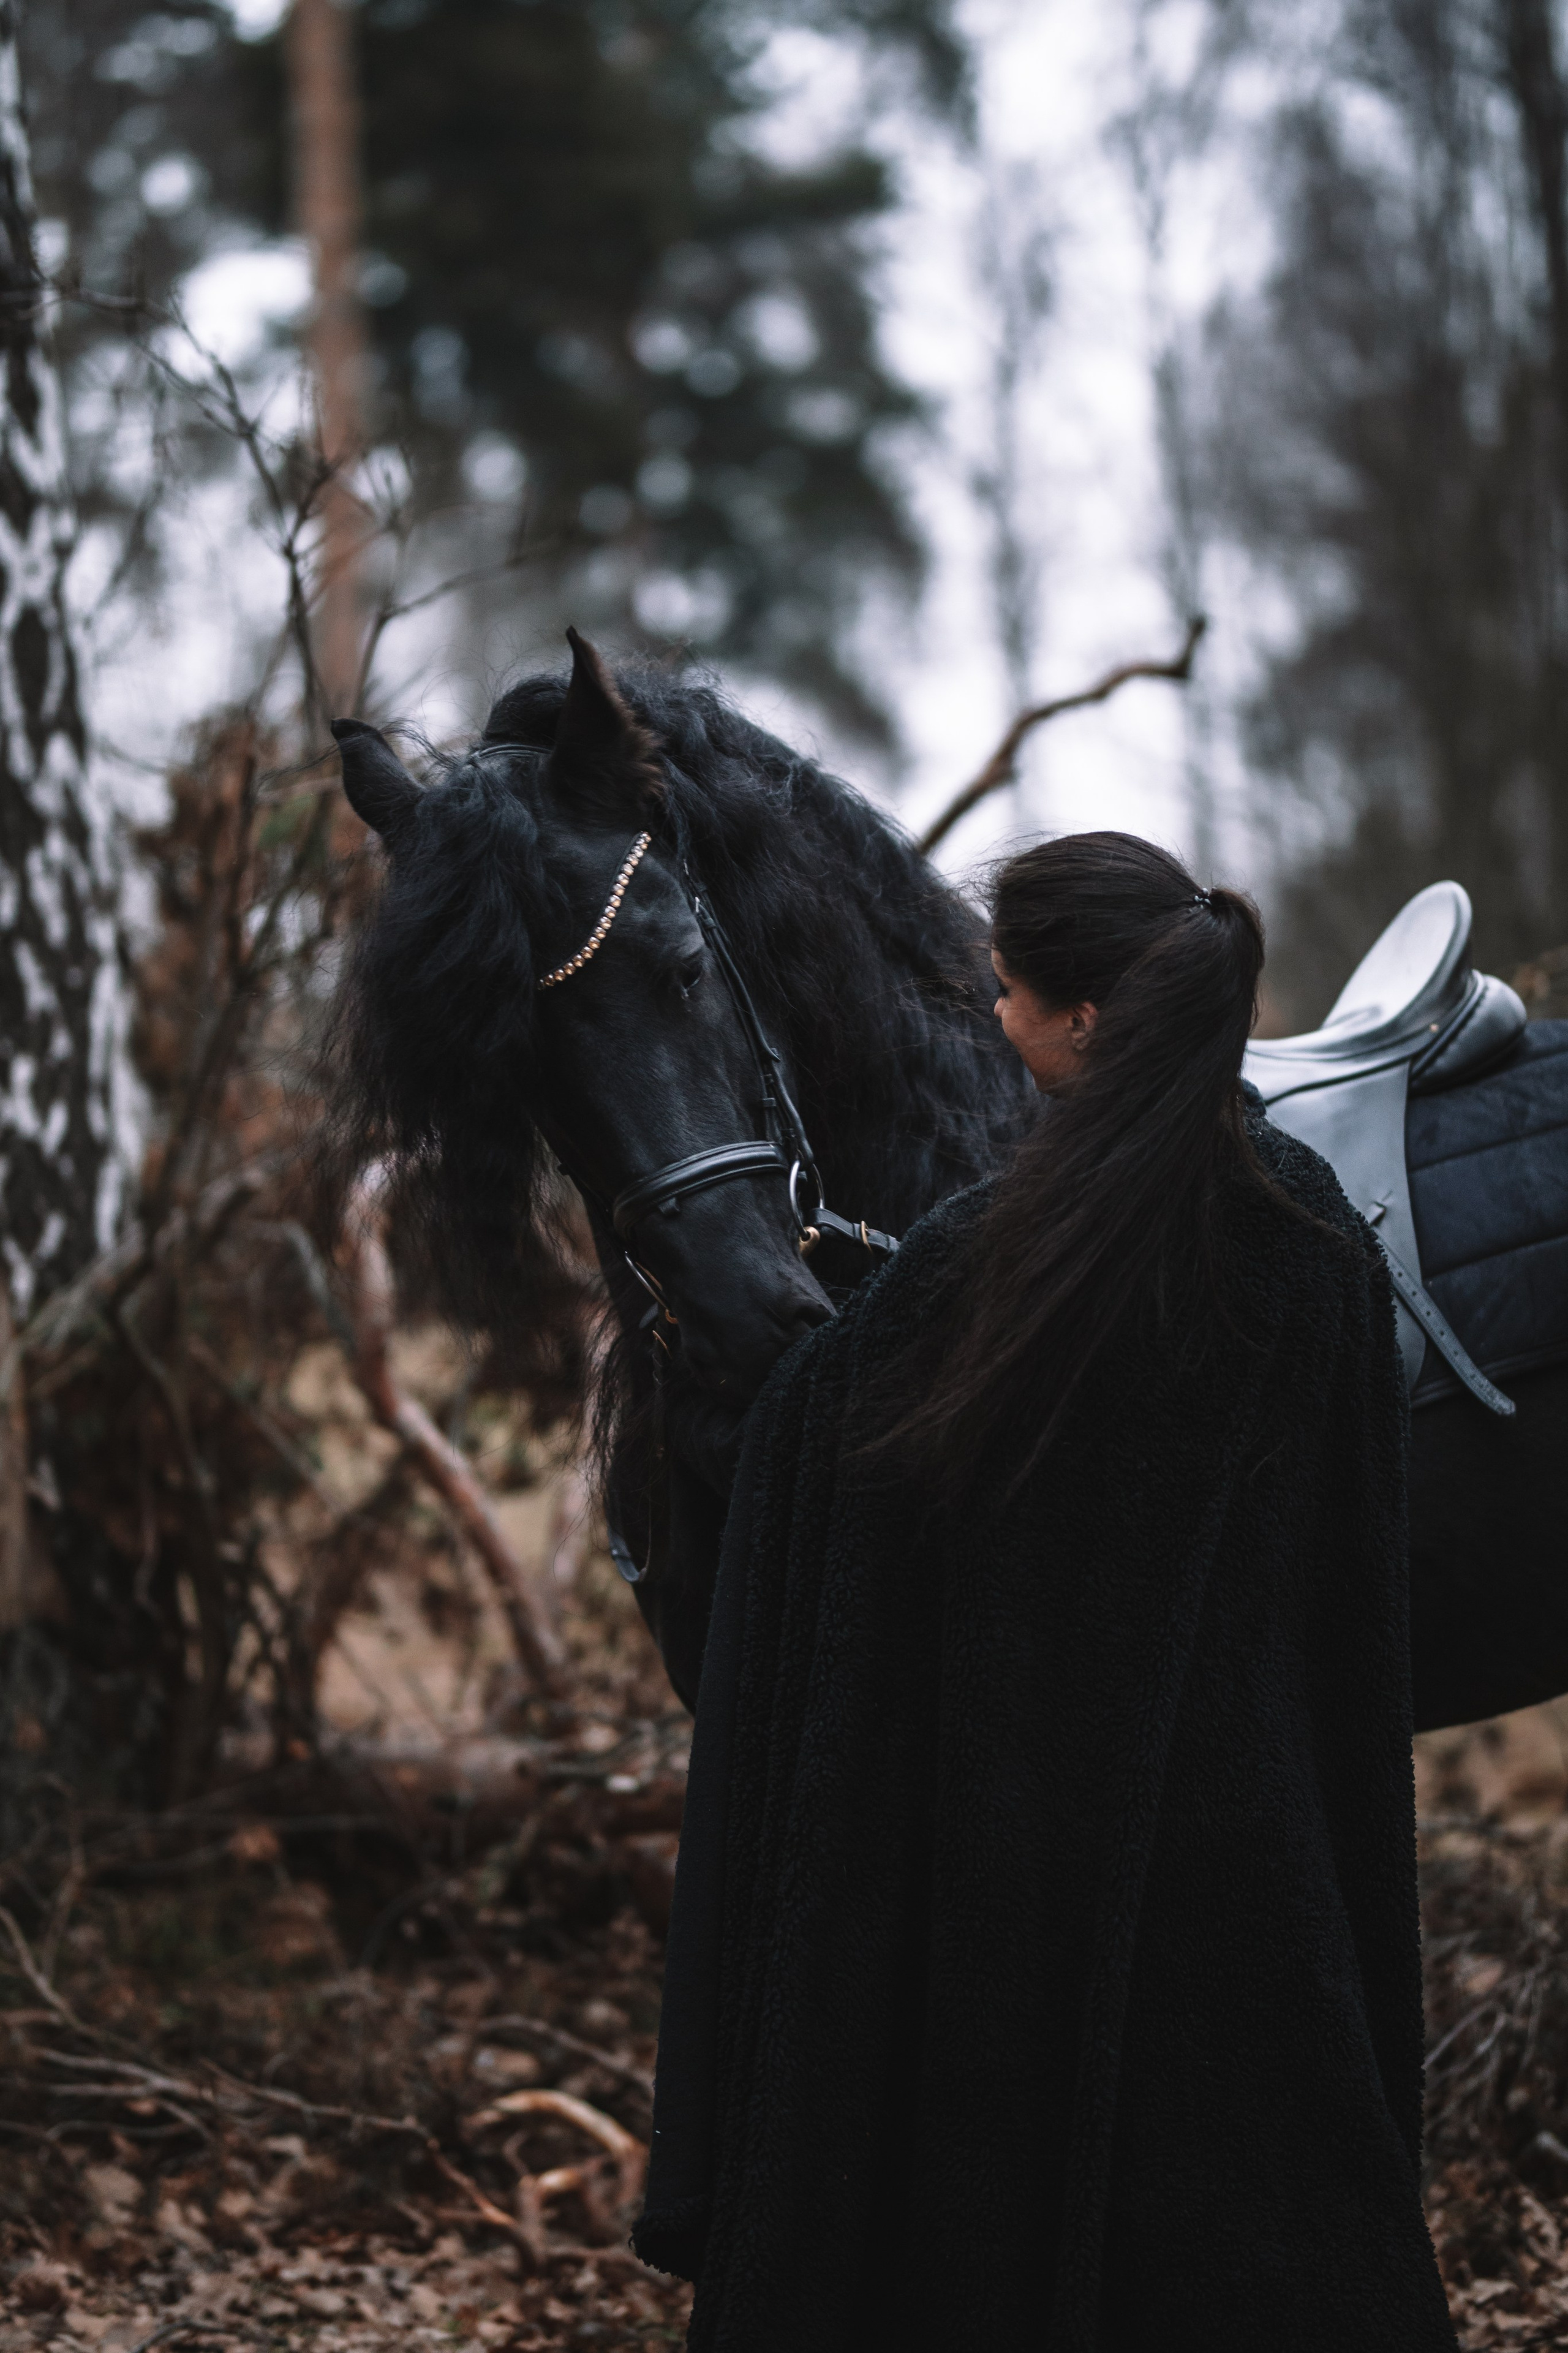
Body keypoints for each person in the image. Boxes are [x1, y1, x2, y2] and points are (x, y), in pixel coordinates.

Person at [633, 831, 1457, 2352]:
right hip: (1254, 1896)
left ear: (1083, 1022)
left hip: (997, 1894)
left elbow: (806, 1477)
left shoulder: (978, 1269)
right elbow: (1354, 1614)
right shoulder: (1319, 1249)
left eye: (1006, 991)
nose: (990, 1017)